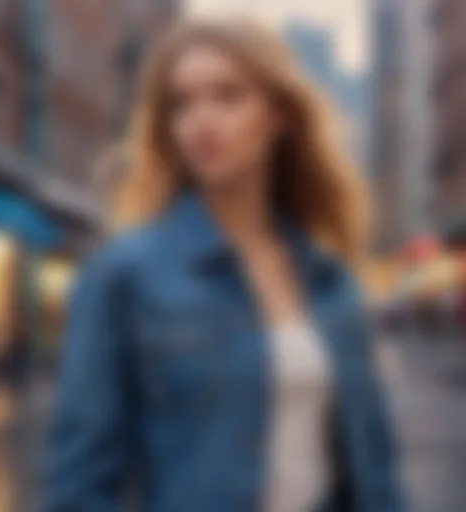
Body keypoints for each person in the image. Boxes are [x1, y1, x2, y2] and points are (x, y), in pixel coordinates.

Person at [44, 19, 402, 512]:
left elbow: (374, 470)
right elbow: (78, 486)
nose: (201, 120)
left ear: (279, 114)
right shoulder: (122, 277)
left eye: (228, 96)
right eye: (182, 103)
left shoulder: (331, 280)